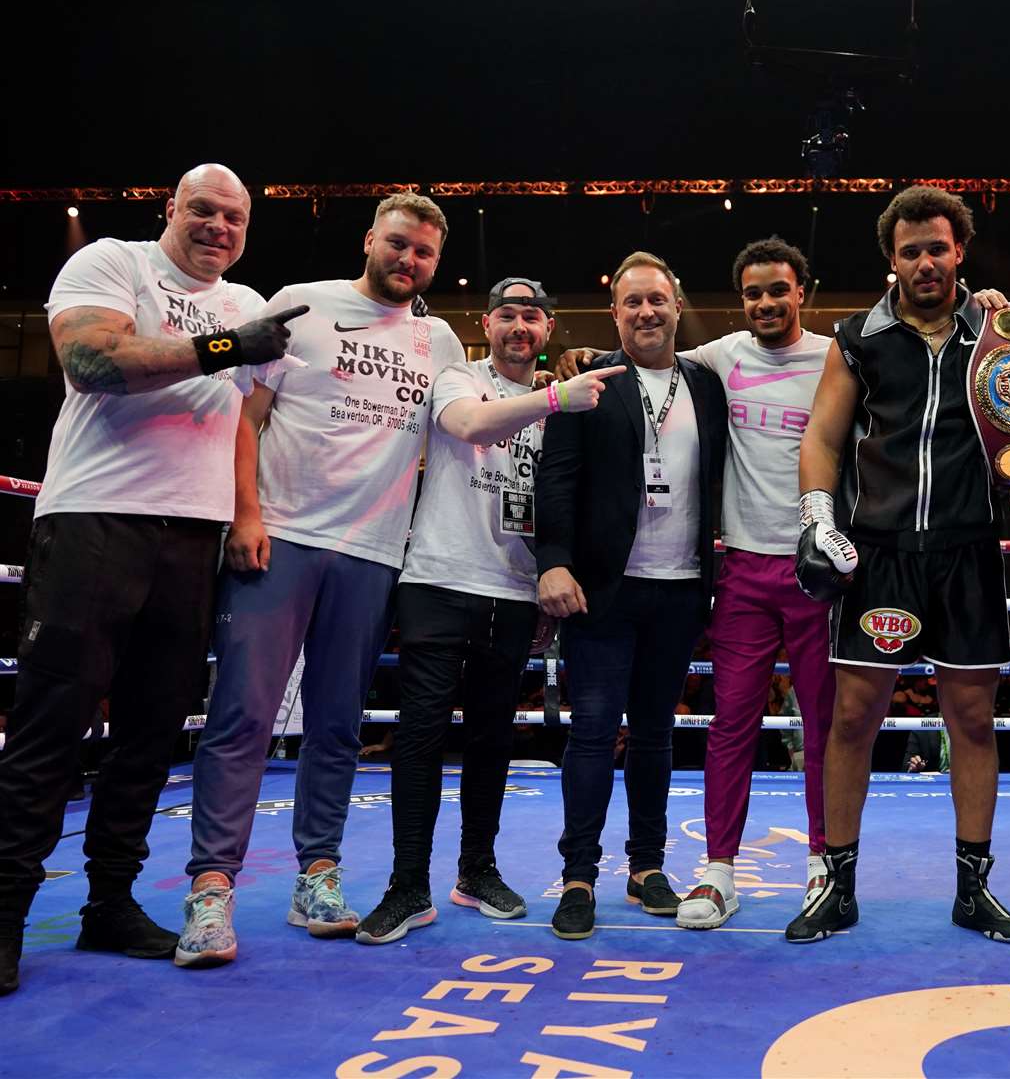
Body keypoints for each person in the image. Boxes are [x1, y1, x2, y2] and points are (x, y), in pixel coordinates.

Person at [0, 164, 297, 995]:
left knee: (149, 732)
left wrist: (246, 512)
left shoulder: (245, 303)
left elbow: (241, 415)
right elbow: (91, 360)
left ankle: (109, 906)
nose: (217, 226)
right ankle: (3, 914)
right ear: (170, 209)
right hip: (95, 516)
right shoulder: (112, 263)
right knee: (51, 724)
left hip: (193, 535)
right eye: (202, 209)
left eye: (234, 217)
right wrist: (223, 347)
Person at [176, 193, 465, 967]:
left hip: (373, 553)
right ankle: (210, 891)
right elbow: (247, 416)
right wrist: (245, 515)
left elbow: (472, 423)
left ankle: (319, 876)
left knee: (338, 723)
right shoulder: (301, 306)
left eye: (424, 253)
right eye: (398, 244)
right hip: (284, 535)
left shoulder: (439, 340)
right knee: (242, 716)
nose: (409, 260)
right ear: (370, 239)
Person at [790, 185, 1010, 945]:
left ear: (958, 251)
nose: (924, 262)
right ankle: (835, 885)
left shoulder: (1000, 329)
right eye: (909, 251)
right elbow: (821, 438)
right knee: (852, 719)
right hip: (877, 553)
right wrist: (816, 516)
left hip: (967, 549)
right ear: (892, 260)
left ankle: (973, 889)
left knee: (972, 721)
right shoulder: (857, 336)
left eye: (936, 248)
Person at [555, 237, 837, 929]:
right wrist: (577, 357)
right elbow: (565, 468)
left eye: (778, 289)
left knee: (810, 728)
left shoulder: (822, 357)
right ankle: (645, 876)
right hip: (692, 574)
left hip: (769, 574)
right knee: (678, 729)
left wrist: (983, 309)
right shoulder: (667, 370)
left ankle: (818, 867)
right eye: (753, 293)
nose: (766, 303)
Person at [355, 277, 623, 945]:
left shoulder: (563, 399)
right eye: (507, 314)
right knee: (420, 736)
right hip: (439, 579)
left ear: (546, 329)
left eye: (532, 315)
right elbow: (469, 426)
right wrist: (560, 393)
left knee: (492, 741)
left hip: (513, 589)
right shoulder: (457, 377)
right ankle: (406, 885)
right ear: (487, 321)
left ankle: (476, 871)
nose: (518, 326)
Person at [535, 252, 728, 940]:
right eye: (633, 302)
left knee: (653, 736)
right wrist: (551, 563)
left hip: (679, 589)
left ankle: (646, 868)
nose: (647, 312)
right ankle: (578, 875)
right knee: (590, 734)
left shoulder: (706, 385)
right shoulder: (587, 382)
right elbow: (553, 481)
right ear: (614, 312)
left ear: (676, 306)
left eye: (657, 300)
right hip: (601, 590)